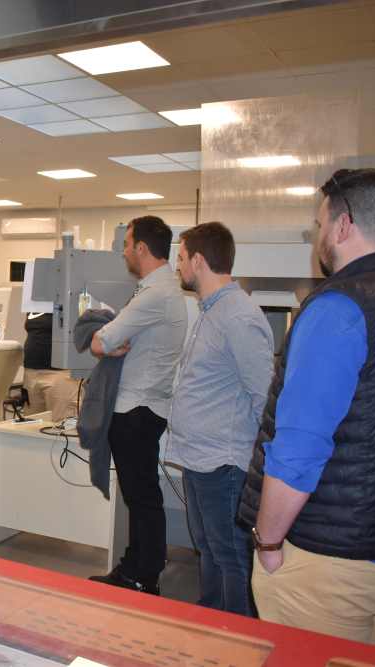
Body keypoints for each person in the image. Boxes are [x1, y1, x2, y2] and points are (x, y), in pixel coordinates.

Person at [239, 168, 375, 650]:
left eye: (320, 224)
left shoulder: (339, 309)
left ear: (343, 226)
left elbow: (298, 451)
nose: (318, 236)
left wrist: (267, 542)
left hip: (335, 564)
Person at [166, 222, 273, 616]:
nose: (178, 266)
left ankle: (239, 637)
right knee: (209, 550)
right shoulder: (211, 311)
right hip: (199, 459)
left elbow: (264, 396)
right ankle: (212, 624)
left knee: (230, 556)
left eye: (181, 258)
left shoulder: (238, 316)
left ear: (198, 260)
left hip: (225, 464)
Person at [88, 216, 187, 595]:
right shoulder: (161, 290)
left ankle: (142, 575)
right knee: (141, 495)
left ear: (142, 248)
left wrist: (107, 342)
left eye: (127, 244)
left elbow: (101, 341)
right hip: (145, 408)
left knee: (141, 497)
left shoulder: (154, 294)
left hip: (136, 410)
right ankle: (136, 567)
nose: (125, 252)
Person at [21, 312, 80, 421]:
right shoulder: (35, 306)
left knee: (61, 423)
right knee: (31, 424)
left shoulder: (70, 304)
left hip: (60, 373)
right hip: (31, 372)